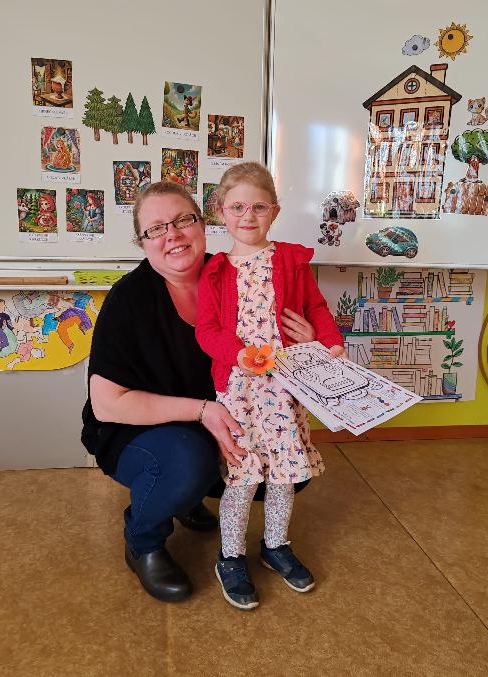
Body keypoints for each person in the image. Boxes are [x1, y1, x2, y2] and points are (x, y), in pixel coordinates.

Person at [81, 181, 319, 604]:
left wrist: (309, 338)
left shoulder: (234, 273)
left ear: (204, 224)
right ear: (143, 242)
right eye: (156, 229)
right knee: (187, 461)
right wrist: (202, 410)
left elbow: (279, 339)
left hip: (225, 415)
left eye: (183, 220)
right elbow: (107, 404)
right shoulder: (128, 301)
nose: (172, 234)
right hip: (137, 427)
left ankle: (186, 498)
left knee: (284, 464)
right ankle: (143, 539)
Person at [196, 162, 346, 610]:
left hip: (285, 389)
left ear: (275, 212)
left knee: (283, 473)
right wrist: (238, 354)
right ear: (221, 211)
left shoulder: (290, 261)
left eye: (259, 207)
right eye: (238, 207)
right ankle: (231, 555)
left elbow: (315, 308)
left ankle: (276, 544)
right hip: (239, 391)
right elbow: (207, 330)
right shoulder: (215, 271)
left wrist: (330, 342)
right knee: (243, 476)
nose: (248, 216)